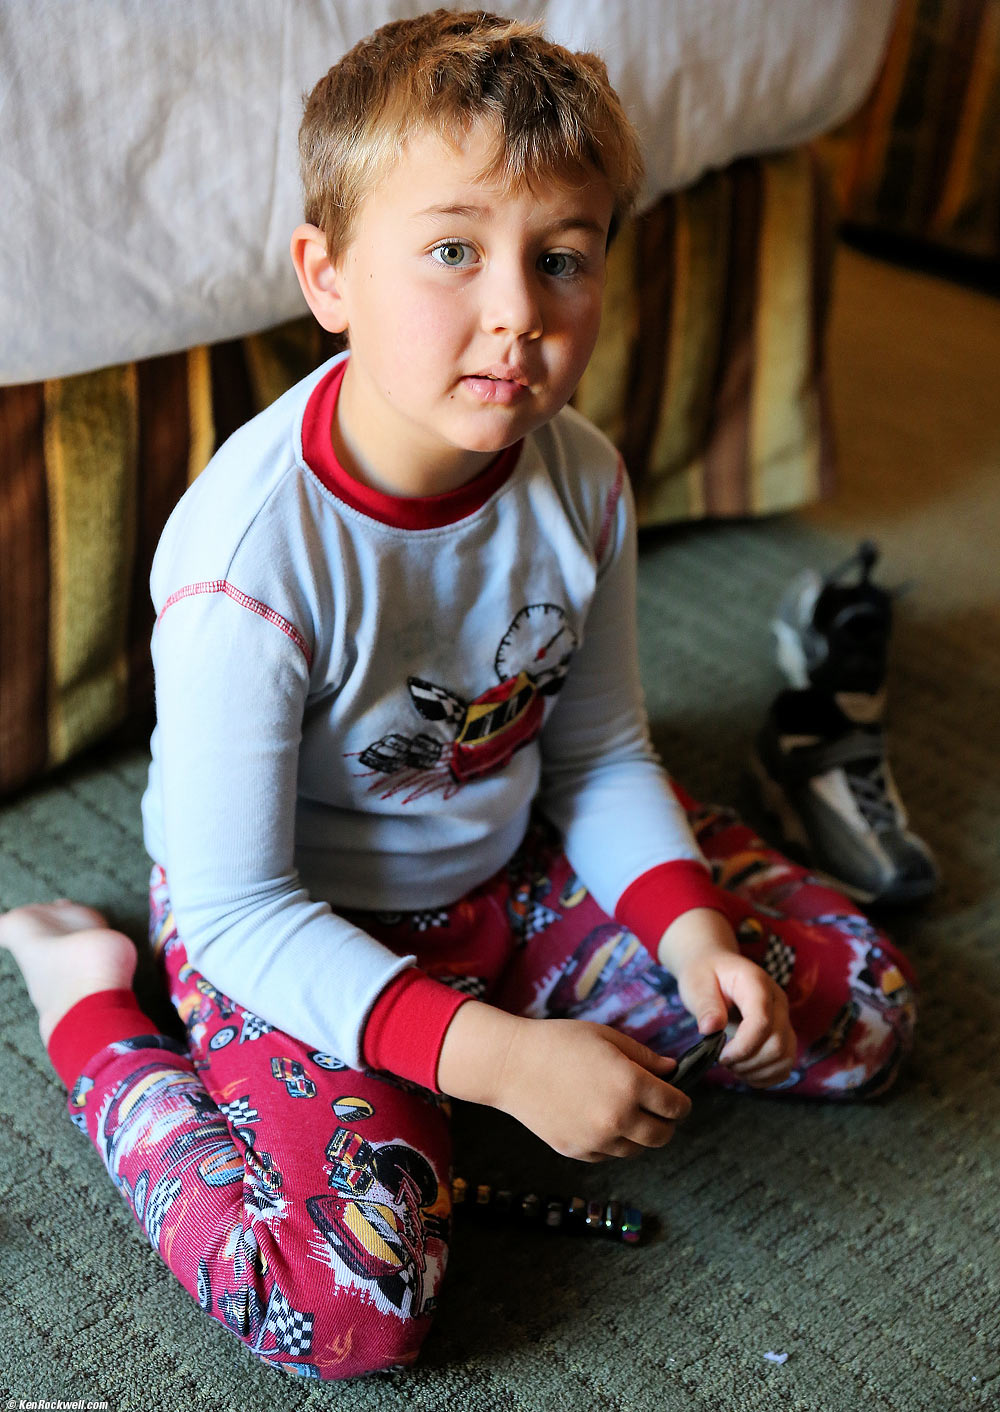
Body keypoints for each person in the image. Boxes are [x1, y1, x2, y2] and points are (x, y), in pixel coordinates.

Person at [0, 9, 916, 1382]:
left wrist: (687, 931)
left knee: (860, 1012)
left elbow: (598, 753)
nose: (518, 313)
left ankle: (658, 933)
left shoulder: (583, 476)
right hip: (290, 925)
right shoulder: (247, 565)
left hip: (512, 861)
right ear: (327, 276)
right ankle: (91, 1013)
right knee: (353, 1308)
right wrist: (494, 1063)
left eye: (562, 257)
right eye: (451, 251)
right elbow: (242, 906)